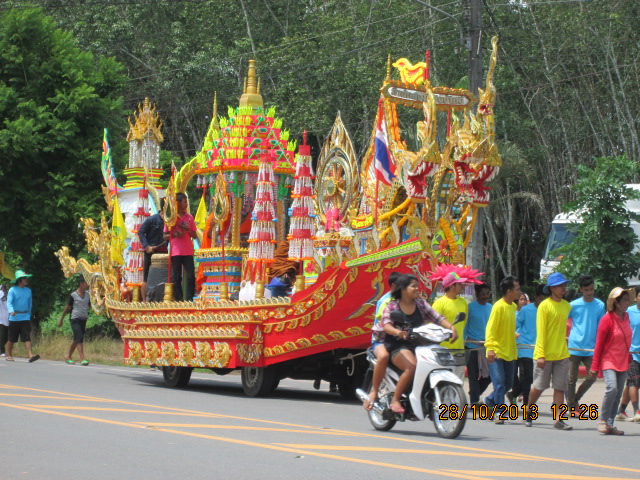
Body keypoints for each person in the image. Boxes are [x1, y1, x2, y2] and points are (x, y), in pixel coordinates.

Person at [380, 274, 457, 413]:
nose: (417, 289)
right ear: (403, 289)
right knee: (411, 366)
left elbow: (437, 317)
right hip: (398, 346)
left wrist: (451, 327)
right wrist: (398, 332)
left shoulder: (421, 304)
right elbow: (386, 325)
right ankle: (395, 399)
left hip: (419, 345)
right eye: (413, 286)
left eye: (417, 285)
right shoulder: (392, 306)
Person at [524, 272, 572, 430]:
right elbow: (542, 332)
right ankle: (530, 409)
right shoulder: (544, 306)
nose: (563, 288)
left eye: (564, 285)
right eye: (560, 285)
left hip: (562, 354)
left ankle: (558, 420)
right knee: (539, 386)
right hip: (544, 354)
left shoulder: (566, 306)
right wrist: (541, 355)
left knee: (559, 388)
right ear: (551, 288)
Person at [590, 287, 632, 435]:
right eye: (625, 300)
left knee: (618, 393)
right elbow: (599, 345)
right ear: (617, 302)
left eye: (628, 299)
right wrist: (594, 367)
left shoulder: (626, 317)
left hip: (623, 361)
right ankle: (602, 420)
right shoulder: (607, 319)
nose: (628, 302)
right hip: (609, 361)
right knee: (612, 388)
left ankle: (610, 423)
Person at [484, 276, 521, 424]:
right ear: (509, 291)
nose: (519, 292)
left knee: (508, 383)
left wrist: (512, 334)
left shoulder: (512, 306)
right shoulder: (498, 307)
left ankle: (489, 400)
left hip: (510, 351)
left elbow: (505, 327)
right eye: (517, 289)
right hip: (497, 352)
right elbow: (490, 329)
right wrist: (490, 348)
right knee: (499, 383)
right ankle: (499, 412)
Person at [567, 274, 605, 408]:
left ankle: (575, 399)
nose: (589, 292)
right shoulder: (573, 305)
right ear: (581, 289)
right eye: (586, 290)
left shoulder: (600, 305)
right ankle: (572, 406)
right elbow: (562, 320)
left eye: (591, 289)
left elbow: (601, 327)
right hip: (574, 347)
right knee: (571, 379)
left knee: (592, 377)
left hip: (591, 348)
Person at [367, 271, 402, 410]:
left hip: (400, 338)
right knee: (384, 356)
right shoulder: (386, 301)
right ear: (394, 286)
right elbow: (384, 324)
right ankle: (374, 391)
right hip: (381, 338)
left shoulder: (408, 300)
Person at [510, 284, 547, 406]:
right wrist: (517, 334)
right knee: (527, 374)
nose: (543, 301)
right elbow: (517, 324)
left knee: (529, 377)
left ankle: (514, 394)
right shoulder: (526, 310)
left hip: (538, 347)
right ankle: (526, 403)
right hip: (524, 345)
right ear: (536, 297)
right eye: (541, 298)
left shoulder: (548, 310)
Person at [432, 272, 469, 379]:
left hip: (459, 349)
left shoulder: (463, 302)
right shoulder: (439, 303)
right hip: (443, 350)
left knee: (458, 381)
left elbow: (464, 321)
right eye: (459, 284)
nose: (462, 286)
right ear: (452, 286)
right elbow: (434, 325)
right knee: (444, 381)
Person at [164, 193, 197, 302]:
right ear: (178, 203)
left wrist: (187, 230)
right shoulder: (171, 217)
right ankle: (179, 300)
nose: (186, 204)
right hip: (176, 251)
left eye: (187, 202)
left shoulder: (189, 217)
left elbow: (195, 235)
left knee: (191, 276)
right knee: (177, 277)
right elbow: (165, 235)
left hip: (187, 250)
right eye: (184, 202)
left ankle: (189, 299)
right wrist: (174, 234)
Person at [464, 282, 493, 405]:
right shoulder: (470, 307)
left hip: (486, 345)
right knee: (473, 375)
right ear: (477, 294)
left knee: (489, 375)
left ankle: (475, 393)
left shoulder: (491, 307)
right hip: (471, 345)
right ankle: (474, 401)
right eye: (482, 294)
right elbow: (465, 325)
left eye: (487, 294)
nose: (485, 296)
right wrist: (464, 340)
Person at [616, 288, 640, 422]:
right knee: (634, 382)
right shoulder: (629, 312)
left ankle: (621, 410)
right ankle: (637, 410)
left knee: (631, 383)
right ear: (636, 298)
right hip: (631, 354)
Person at [5, 270, 39, 362]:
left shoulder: (28, 291)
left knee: (27, 337)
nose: (26, 280)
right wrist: (11, 311)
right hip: (14, 317)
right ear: (20, 280)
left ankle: (31, 355)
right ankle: (9, 354)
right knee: (12, 338)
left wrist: (29, 314)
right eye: (24, 278)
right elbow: (9, 302)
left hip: (25, 317)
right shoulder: (12, 290)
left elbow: (29, 304)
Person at [57, 277, 91, 365]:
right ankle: (82, 358)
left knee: (77, 339)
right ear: (81, 284)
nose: (87, 285)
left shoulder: (88, 295)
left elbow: (90, 306)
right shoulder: (73, 295)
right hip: (75, 319)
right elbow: (67, 307)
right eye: (86, 283)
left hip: (84, 319)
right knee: (79, 337)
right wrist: (61, 319)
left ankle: (68, 356)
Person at [138, 198, 167, 302]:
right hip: (152, 252)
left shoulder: (171, 220)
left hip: (165, 253)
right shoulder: (152, 219)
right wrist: (146, 246)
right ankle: (145, 302)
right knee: (146, 277)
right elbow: (141, 232)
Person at [0, 284, 9, 356]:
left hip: (7, 322)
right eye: (4, 288)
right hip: (1, 321)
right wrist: (2, 288)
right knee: (2, 336)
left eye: (6, 289)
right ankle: (2, 351)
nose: (5, 290)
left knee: (7, 337)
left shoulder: (6, 301)